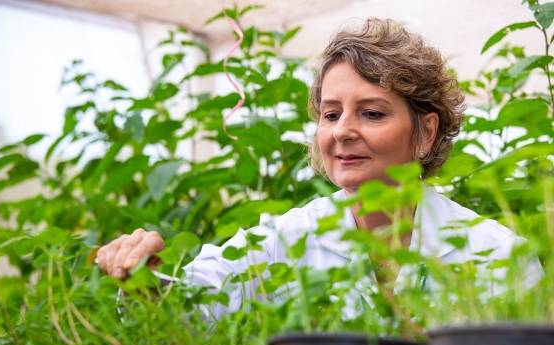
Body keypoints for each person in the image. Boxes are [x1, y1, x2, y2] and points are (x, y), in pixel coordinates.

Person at [97, 18, 532, 316]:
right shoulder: (283, 241)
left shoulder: (499, 255)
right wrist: (146, 278)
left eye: (372, 113)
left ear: (425, 133)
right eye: (330, 114)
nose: (341, 131)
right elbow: (191, 303)